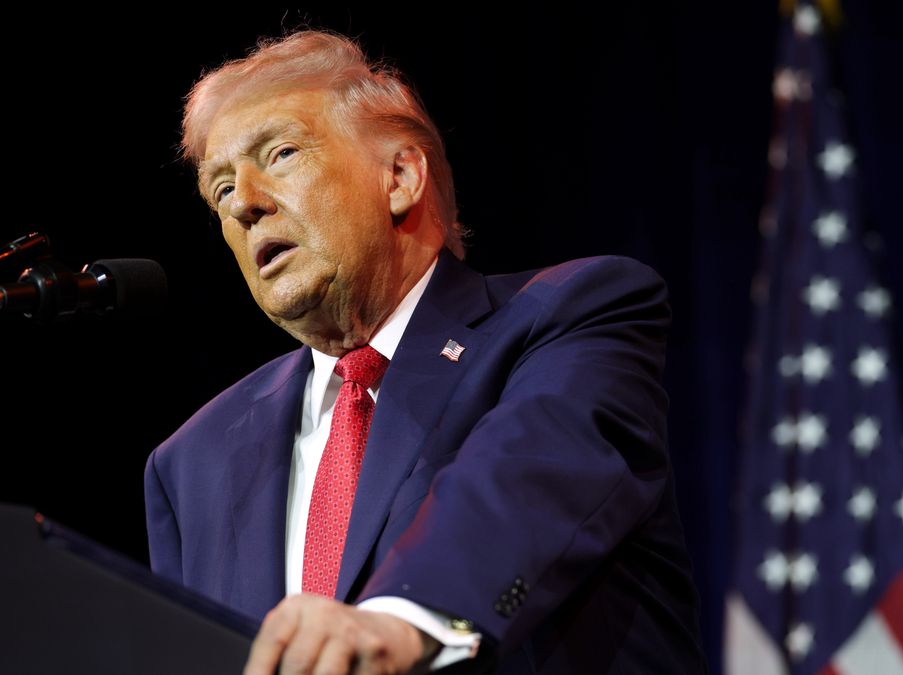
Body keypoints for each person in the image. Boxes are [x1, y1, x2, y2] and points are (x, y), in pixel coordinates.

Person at [143, 29, 705, 675]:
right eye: (219, 190)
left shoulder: (571, 316)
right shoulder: (192, 461)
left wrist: (401, 619)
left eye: (282, 152)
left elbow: (525, 480)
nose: (244, 202)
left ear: (401, 177)